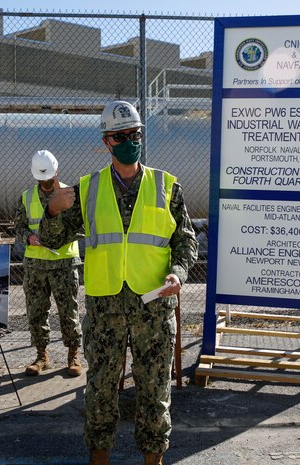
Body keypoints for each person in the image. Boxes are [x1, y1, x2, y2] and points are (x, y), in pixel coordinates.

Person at [39, 101, 198, 465]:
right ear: (107, 141)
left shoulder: (167, 186)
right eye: (122, 136)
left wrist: (180, 271)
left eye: (136, 135)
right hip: (105, 309)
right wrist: (52, 210)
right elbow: (51, 240)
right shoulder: (87, 189)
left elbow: (186, 239)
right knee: (100, 392)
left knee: (155, 392)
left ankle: (153, 461)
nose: (131, 141)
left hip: (154, 308)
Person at [13, 150, 83, 377]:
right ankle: (41, 355)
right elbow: (20, 225)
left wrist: (60, 239)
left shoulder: (69, 195)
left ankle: (73, 355)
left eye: (48, 178)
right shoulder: (26, 197)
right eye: (41, 179)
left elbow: (80, 228)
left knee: (68, 310)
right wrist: (29, 238)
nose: (45, 183)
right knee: (36, 311)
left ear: (56, 172)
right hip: (35, 264)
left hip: (63, 263)